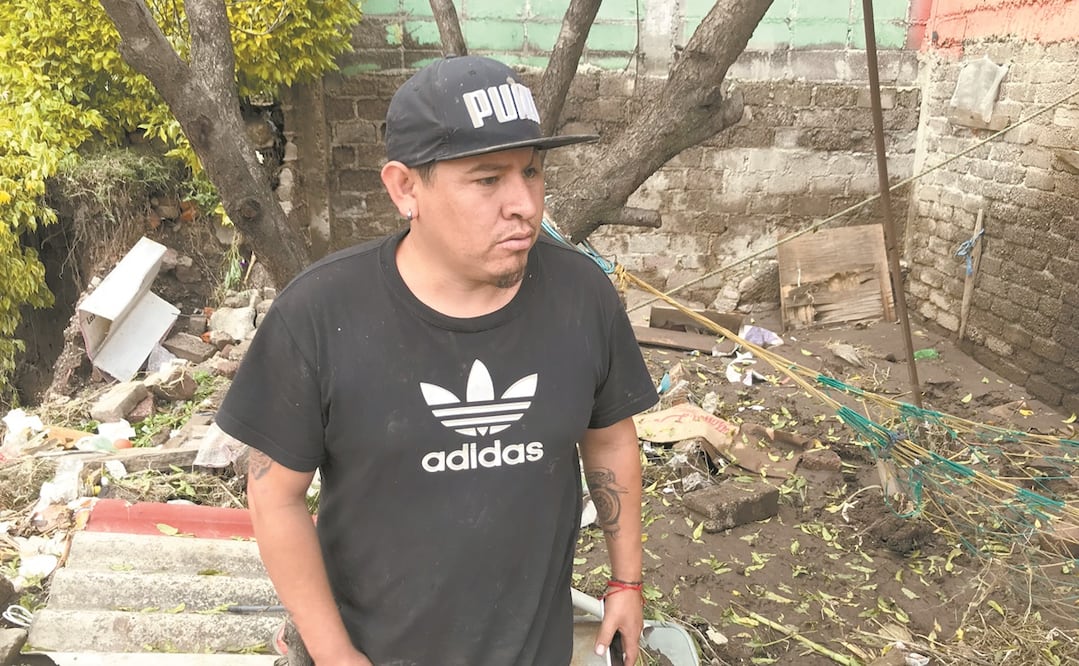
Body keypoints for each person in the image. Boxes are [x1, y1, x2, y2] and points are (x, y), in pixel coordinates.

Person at [215, 54, 659, 666]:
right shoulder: (319, 315)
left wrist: (626, 581)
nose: (524, 204)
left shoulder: (581, 296)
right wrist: (335, 653)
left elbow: (609, 438)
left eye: (532, 171)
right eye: (487, 179)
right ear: (405, 188)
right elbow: (274, 497)